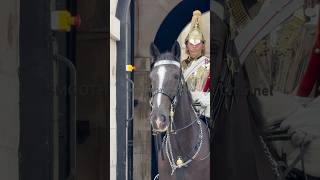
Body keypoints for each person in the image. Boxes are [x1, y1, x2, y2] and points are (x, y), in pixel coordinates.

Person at [181, 10, 211, 124]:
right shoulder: (181, 66)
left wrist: (205, 99)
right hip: (184, 109)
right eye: (191, 44)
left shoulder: (209, 64)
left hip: (203, 111)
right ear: (187, 45)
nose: (194, 47)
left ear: (202, 46)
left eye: (197, 43)